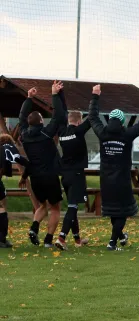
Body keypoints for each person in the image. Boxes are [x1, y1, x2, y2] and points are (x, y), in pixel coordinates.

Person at [88, 84, 139, 250]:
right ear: (122, 121)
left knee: (112, 210)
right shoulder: (127, 134)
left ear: (110, 119)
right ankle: (112, 242)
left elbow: (92, 117)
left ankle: (120, 236)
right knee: (122, 212)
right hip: (122, 180)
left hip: (106, 179)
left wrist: (95, 96)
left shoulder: (102, 133)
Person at [20, 83, 66, 247]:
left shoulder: (24, 135)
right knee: (55, 208)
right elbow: (59, 116)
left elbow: (21, 118)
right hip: (50, 175)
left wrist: (29, 98)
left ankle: (34, 227)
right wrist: (54, 95)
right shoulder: (46, 133)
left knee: (42, 206)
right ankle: (48, 240)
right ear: (40, 121)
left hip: (35, 177)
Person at [55, 95, 92, 250]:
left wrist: (58, 95)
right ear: (79, 121)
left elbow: (59, 112)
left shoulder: (62, 132)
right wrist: (95, 96)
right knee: (72, 207)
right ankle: (61, 238)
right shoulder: (79, 131)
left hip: (65, 176)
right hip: (77, 174)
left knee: (73, 206)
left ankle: (77, 240)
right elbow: (93, 117)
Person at [0, 135, 30, 248]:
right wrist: (24, 177)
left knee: (3, 203)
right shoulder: (7, 148)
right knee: (2, 208)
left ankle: (2, 238)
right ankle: (1, 238)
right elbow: (25, 162)